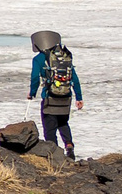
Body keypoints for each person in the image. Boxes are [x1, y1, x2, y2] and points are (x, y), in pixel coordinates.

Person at [27, 29, 83, 158]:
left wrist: (32, 93)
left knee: (50, 128)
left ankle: (54, 155)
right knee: (63, 123)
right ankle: (69, 145)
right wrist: (79, 97)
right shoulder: (64, 58)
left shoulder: (39, 59)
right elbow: (74, 78)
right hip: (66, 97)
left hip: (50, 98)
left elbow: (35, 77)